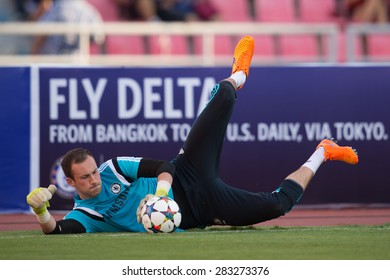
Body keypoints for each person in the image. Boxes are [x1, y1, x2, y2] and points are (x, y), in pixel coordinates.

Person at [26, 35, 359, 234]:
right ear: (71, 183)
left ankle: (238, 74)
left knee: (226, 96)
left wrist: (160, 196)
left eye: (93, 172)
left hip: (187, 171)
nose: (94, 180)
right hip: (200, 211)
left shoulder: (112, 168)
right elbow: (57, 232)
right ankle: (324, 152)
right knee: (278, 205)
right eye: (85, 178)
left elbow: (162, 167)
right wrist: (41, 212)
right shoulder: (87, 215)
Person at [30, 0, 105, 55]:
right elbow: (100, 36)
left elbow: (41, 30)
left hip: (52, 62)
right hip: (77, 63)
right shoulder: (88, 10)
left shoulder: (59, 7)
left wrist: (34, 55)